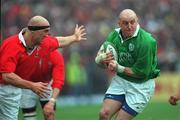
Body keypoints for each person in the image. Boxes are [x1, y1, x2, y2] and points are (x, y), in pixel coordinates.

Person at [0, 15, 86, 120]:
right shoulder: (11, 44)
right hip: (6, 88)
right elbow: (7, 76)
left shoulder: (44, 43)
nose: (47, 35)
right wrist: (32, 85)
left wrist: (74, 38)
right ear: (33, 31)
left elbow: (59, 41)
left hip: (21, 87)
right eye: (45, 31)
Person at [95, 9, 160, 120]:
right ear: (119, 23)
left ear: (137, 21)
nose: (129, 26)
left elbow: (141, 73)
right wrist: (99, 59)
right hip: (121, 81)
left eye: (132, 22)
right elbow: (103, 60)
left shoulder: (147, 42)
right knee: (104, 114)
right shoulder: (113, 36)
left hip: (141, 86)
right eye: (125, 23)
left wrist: (118, 68)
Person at [20, 50, 64, 120]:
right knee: (29, 117)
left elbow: (58, 80)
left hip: (46, 84)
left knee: (49, 113)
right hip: (28, 85)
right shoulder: (26, 52)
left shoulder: (55, 55)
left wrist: (52, 101)